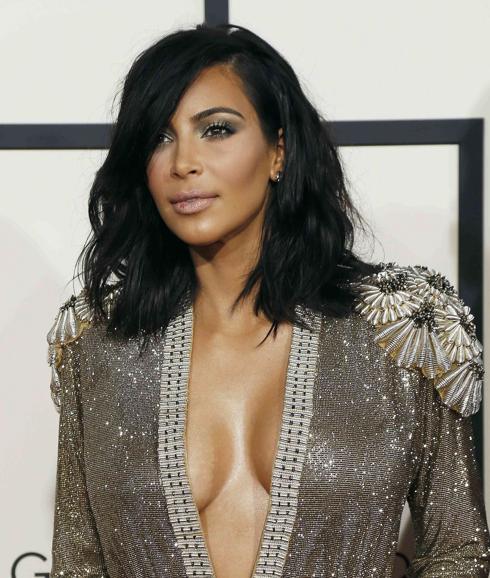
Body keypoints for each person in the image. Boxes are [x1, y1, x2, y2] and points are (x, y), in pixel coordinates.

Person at [46, 22, 490, 578]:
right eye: (160, 138)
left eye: (216, 129)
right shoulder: (97, 342)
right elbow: (78, 564)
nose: (183, 162)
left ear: (278, 150)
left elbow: (458, 551)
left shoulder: (399, 329)